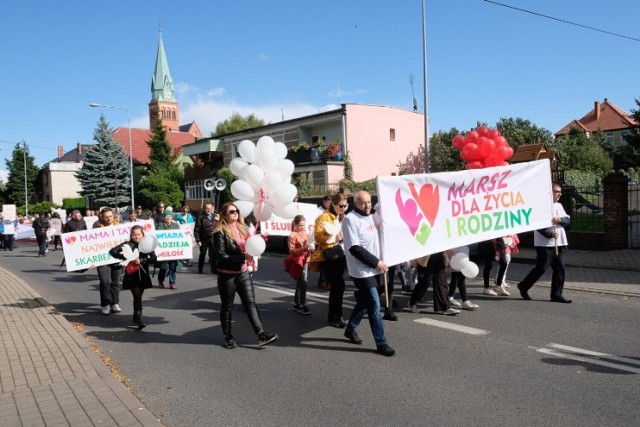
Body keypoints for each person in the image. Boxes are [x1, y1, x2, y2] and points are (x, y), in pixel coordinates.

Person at [213, 202, 278, 349]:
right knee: (227, 307)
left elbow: (251, 244)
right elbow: (222, 256)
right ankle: (228, 336)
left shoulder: (243, 228)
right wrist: (243, 257)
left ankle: (260, 334)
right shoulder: (219, 232)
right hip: (227, 275)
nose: (235, 213)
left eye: (237, 211)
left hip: (243, 273)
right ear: (224, 215)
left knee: (250, 304)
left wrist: (261, 239)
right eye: (231, 212)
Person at [342, 191, 395, 357]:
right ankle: (381, 343)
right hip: (361, 270)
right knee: (374, 303)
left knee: (365, 301)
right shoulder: (350, 220)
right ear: (356, 203)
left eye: (369, 202)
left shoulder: (373, 216)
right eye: (363, 203)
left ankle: (350, 329)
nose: (367, 206)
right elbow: (355, 248)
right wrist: (376, 262)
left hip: (376, 267)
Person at [517, 183, 572, 303]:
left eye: (560, 192)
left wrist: (560, 220)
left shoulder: (558, 205)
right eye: (558, 191)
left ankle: (556, 294)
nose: (560, 194)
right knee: (541, 268)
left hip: (560, 243)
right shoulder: (540, 206)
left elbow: (568, 220)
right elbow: (536, 224)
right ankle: (524, 286)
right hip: (545, 244)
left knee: (559, 269)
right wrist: (550, 234)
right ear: (550, 192)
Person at [311, 193, 348, 328]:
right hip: (329, 254)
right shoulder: (324, 216)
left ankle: (335, 315)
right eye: (341, 205)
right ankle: (335, 317)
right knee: (338, 285)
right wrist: (335, 238)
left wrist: (341, 237)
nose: (343, 208)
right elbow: (318, 236)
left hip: (339, 252)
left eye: (345, 205)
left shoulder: (340, 216)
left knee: (339, 286)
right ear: (333, 204)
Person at [109, 225, 157, 330]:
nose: (136, 236)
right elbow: (112, 251)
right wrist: (126, 257)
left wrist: (142, 260)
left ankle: (136, 315)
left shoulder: (146, 244)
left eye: (138, 234)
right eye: (134, 234)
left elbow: (154, 258)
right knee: (137, 295)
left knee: (139, 296)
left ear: (143, 234)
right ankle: (138, 318)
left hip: (143, 273)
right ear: (131, 235)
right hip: (131, 274)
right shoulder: (127, 244)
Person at [406, 251, 460, 315]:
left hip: (439, 254)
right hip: (426, 256)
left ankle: (444, 307)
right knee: (425, 282)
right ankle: (412, 302)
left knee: (441, 282)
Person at [93, 207, 122, 315]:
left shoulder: (119, 227)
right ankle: (105, 304)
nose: (109, 219)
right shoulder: (97, 227)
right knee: (105, 281)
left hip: (117, 258)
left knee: (115, 282)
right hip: (103, 259)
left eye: (110, 216)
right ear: (102, 217)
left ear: (113, 216)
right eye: (106, 217)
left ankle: (114, 303)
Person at [287, 215, 312, 315]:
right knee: (303, 282)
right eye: (301, 225)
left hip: (306, 260)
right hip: (298, 262)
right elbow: (292, 251)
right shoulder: (292, 235)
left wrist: (311, 248)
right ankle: (302, 304)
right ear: (295, 224)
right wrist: (305, 249)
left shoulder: (305, 234)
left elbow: (309, 245)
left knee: (300, 282)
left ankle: (297, 303)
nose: (303, 227)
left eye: (304, 225)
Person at [448, 245, 480, 310]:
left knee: (455, 278)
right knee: (460, 278)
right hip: (456, 251)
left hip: (461, 250)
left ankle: (450, 297)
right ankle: (465, 301)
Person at [157, 211, 180, 289]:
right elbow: (158, 235)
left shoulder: (176, 225)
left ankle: (172, 282)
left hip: (173, 250)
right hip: (164, 251)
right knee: (164, 267)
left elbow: (180, 236)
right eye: (166, 217)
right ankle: (161, 281)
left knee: (173, 267)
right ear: (164, 218)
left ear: (172, 217)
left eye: (170, 216)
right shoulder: (160, 225)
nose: (168, 218)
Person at [194, 202, 217, 274]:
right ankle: (200, 269)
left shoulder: (215, 216)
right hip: (204, 239)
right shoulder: (200, 217)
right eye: (207, 209)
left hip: (213, 238)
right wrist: (198, 240)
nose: (209, 210)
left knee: (214, 255)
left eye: (210, 208)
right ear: (204, 209)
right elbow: (197, 229)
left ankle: (214, 269)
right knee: (202, 254)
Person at [316, 195, 332, 290]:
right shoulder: (318, 211)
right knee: (323, 261)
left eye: (330, 203)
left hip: (329, 239)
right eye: (327, 202)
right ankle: (322, 281)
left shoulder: (331, 212)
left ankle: (326, 281)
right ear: (324, 202)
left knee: (328, 262)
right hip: (321, 238)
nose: (329, 204)